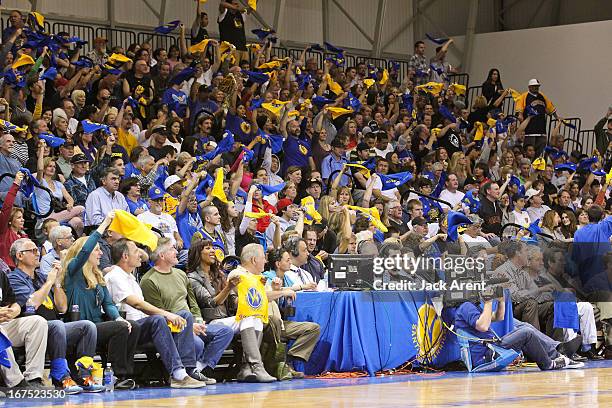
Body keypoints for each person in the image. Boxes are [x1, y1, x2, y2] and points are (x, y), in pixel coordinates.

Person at [104, 238, 207, 388]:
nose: (140, 255)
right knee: (158, 319)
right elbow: (137, 304)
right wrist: (168, 315)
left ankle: (188, 371)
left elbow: (145, 257)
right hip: (128, 329)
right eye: (136, 252)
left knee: (185, 316)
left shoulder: (131, 277)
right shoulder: (115, 276)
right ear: (125, 257)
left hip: (143, 326)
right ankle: (178, 374)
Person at [8, 238, 98, 393]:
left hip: (55, 328)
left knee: (87, 326)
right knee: (57, 326)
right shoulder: (14, 278)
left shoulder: (41, 277)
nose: (37, 254)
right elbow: (32, 303)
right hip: (33, 330)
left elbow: (62, 308)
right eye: (33, 251)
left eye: (37, 250)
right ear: (20, 256)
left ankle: (84, 374)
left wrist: (56, 282)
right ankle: (60, 375)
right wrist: (49, 282)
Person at [141, 238, 234, 385]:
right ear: (162, 255)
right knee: (197, 344)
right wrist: (189, 326)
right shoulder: (149, 280)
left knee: (225, 331)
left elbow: (193, 303)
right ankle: (184, 373)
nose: (176, 251)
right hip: (172, 326)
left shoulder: (180, 274)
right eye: (172, 249)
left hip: (190, 322)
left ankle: (198, 369)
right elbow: (158, 313)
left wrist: (197, 321)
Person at [61, 211, 138, 390]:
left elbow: (109, 304)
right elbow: (86, 249)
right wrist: (104, 224)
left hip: (98, 326)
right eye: (97, 250)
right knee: (119, 328)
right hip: (81, 327)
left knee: (131, 325)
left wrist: (119, 317)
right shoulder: (72, 272)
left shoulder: (98, 276)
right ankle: (117, 375)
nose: (101, 254)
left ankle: (124, 374)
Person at [454, 294, 583, 371]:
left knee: (524, 329)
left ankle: (558, 354)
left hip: (490, 350)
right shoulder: (465, 306)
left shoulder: (468, 306)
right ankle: (550, 363)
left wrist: (501, 301)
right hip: (485, 356)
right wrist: (488, 302)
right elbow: (482, 326)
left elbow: (498, 317)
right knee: (526, 333)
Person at [226, 243, 277, 382]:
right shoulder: (237, 274)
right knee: (251, 317)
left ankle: (246, 368)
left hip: (250, 318)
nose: (266, 261)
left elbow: (262, 298)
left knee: (256, 317)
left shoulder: (258, 277)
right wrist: (281, 292)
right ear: (254, 260)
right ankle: (257, 366)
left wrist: (275, 289)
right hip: (233, 317)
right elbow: (253, 300)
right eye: (263, 258)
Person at [0, 268, 48, 389]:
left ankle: (33, 378)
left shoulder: (1, 275)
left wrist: (14, 310)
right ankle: (16, 382)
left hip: (4, 323)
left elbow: (13, 301)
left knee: (38, 322)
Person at [0, 171, 28, 269]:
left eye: (22, 217)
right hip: (7, 272)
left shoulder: (24, 236)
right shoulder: (4, 232)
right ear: (10, 220)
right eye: (19, 218)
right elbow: (7, 207)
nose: (22, 220)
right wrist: (15, 185)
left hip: (23, 271)